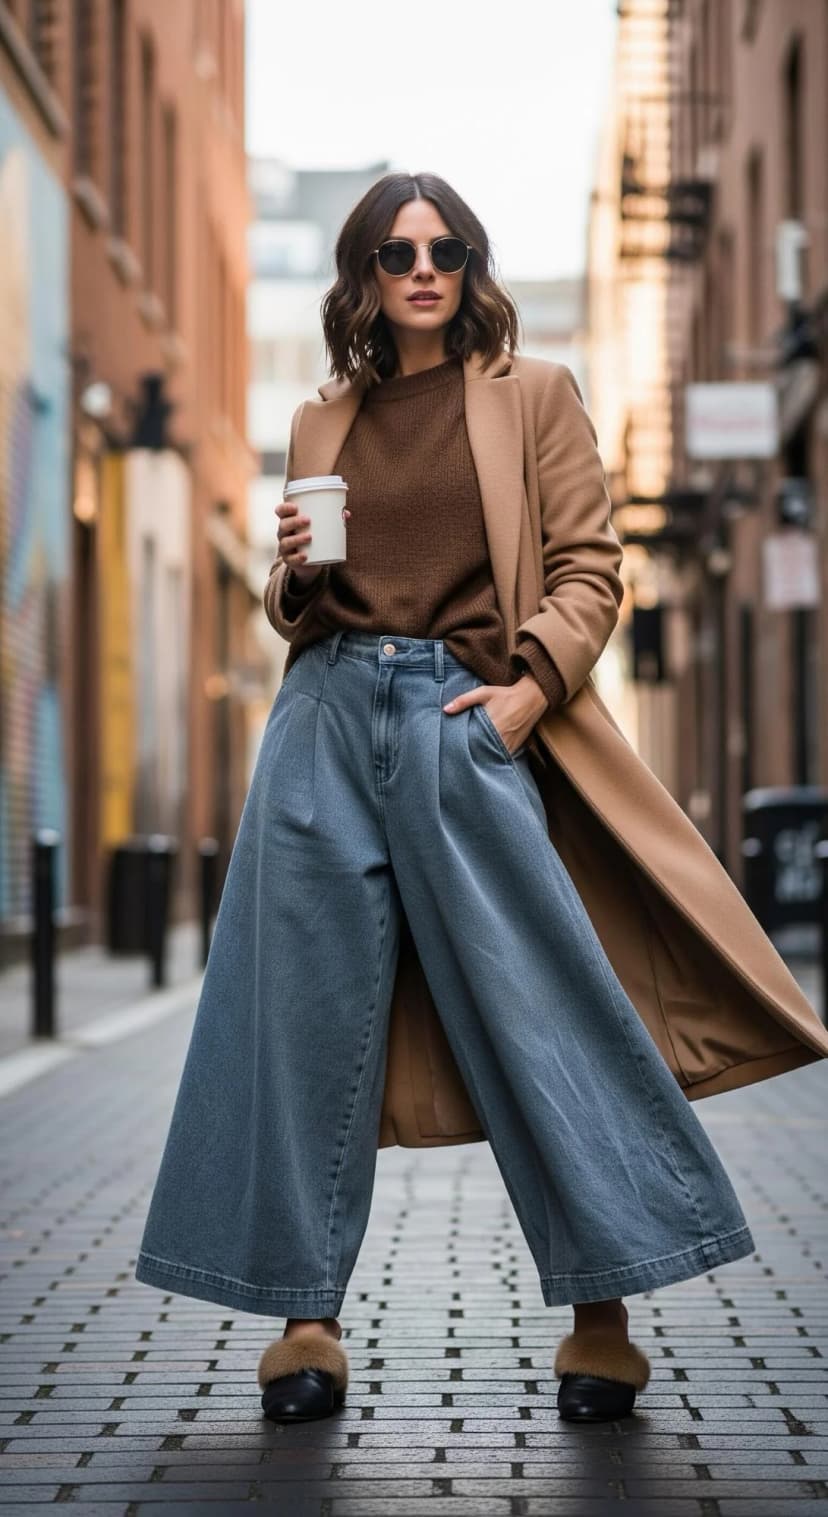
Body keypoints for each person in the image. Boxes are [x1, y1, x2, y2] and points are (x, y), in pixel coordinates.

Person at [134, 171, 756, 1426]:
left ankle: (604, 1317)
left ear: (473, 266)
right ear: (363, 273)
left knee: (543, 1003)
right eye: (398, 251)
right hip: (322, 716)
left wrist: (529, 690)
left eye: (449, 248)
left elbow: (590, 564)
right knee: (298, 1016)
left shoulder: (535, 397)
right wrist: (293, 580)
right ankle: (306, 1322)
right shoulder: (321, 419)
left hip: (461, 715)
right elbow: (294, 601)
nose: (425, 268)